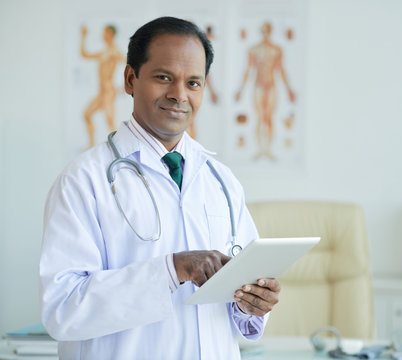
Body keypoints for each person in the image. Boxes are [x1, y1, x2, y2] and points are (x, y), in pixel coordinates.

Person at [40, 17, 280, 360]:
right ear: (130, 79)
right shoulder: (83, 180)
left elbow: (239, 294)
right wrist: (172, 269)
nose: (179, 95)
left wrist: (253, 304)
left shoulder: (222, 181)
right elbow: (62, 310)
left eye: (193, 83)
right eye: (164, 77)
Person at [235, 22, 296, 160]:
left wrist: (289, 90)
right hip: (258, 87)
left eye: (267, 31)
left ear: (270, 32)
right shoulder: (253, 50)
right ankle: (260, 149)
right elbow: (248, 70)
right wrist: (240, 90)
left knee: (268, 118)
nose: (265, 33)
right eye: (263, 31)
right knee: (259, 117)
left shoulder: (277, 50)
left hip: (271, 86)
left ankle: (267, 149)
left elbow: (281, 70)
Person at [80, 24, 126, 147]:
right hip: (102, 91)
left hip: (109, 91)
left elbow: (129, 64)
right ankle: (91, 145)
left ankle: (119, 148)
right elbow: (84, 54)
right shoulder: (103, 52)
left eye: (105, 32)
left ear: (110, 34)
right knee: (87, 114)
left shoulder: (115, 52)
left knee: (109, 120)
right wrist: (84, 36)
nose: (103, 35)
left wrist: (124, 86)